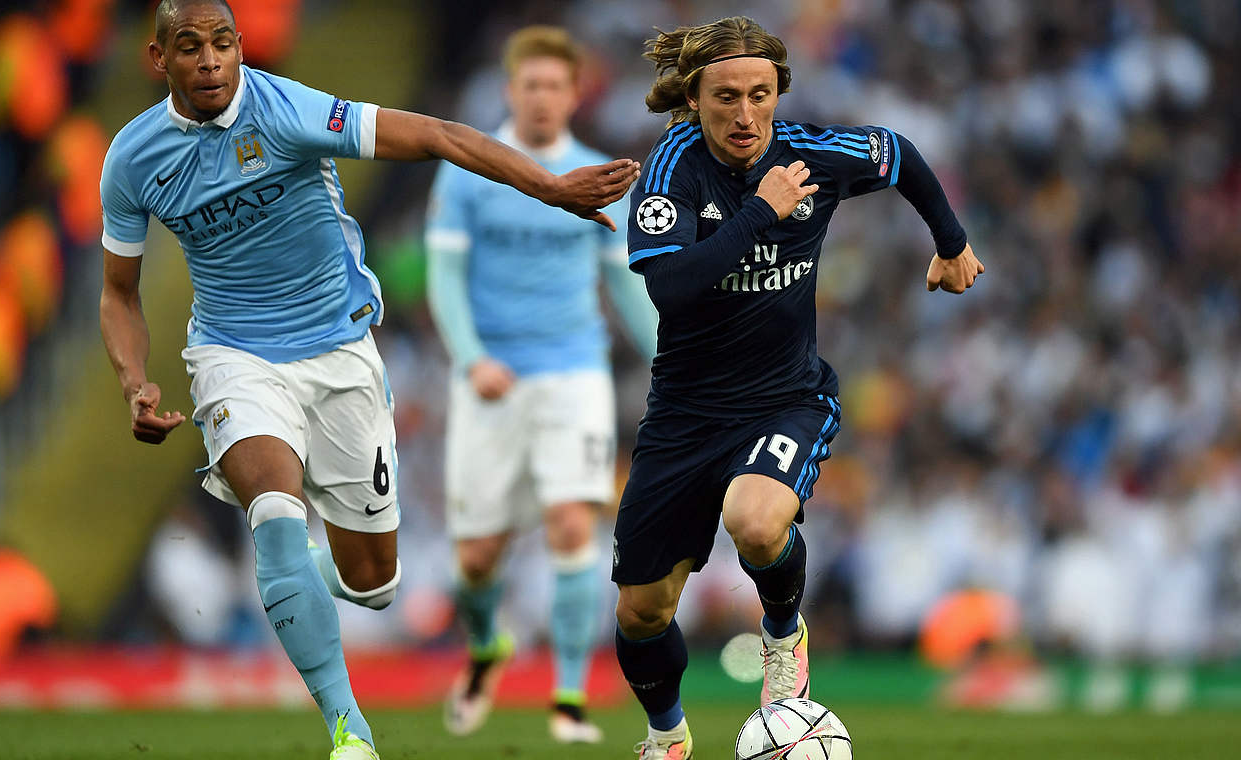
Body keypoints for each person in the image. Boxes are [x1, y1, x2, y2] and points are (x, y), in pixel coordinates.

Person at [97, 3, 639, 759]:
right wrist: (132, 382)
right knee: (275, 514)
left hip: (340, 350)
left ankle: (297, 586)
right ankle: (349, 731)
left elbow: (440, 135)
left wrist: (549, 188)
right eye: (192, 48)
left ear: (240, 47)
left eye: (224, 43)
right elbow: (119, 292)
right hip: (233, 355)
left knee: (373, 580)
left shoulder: (287, 110)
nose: (212, 61)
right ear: (159, 59)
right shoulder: (131, 158)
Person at [613, 16, 984, 760]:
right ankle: (667, 737)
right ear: (694, 97)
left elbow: (899, 153)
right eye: (725, 97)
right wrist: (761, 213)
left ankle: (783, 635)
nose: (744, 114)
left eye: (759, 94)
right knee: (641, 614)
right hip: (684, 416)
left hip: (787, 396)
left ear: (780, 90)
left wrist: (952, 244)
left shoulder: (813, 152)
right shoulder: (671, 170)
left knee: (755, 521)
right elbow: (672, 288)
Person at [424, 25, 658, 745]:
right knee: (476, 559)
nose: (546, 98)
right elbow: (445, 277)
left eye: (558, 85)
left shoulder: (598, 174)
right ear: (510, 90)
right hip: (491, 376)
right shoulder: (467, 172)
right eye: (533, 85)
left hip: (573, 371)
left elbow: (626, 286)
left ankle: (567, 698)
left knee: (571, 526)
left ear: (573, 93)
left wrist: (671, 360)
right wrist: (470, 358)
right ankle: (488, 642)